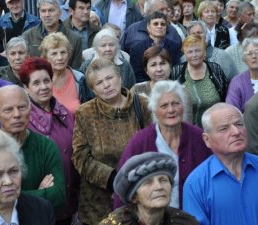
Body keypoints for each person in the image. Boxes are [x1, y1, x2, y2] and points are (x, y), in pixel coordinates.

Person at [72, 58, 152, 225]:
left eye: (109, 78)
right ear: (93, 89)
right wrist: (113, 179)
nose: (106, 85)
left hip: (139, 196)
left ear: (120, 78)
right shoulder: (85, 113)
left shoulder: (142, 104)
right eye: (99, 82)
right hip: (98, 204)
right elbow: (80, 157)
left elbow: (154, 147)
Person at [116, 80, 211, 209]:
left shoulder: (199, 138)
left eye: (176, 103)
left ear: (183, 106)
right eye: (164, 106)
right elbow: (122, 189)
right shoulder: (140, 142)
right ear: (154, 110)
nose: (171, 110)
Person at [18, 57, 80, 225]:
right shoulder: (23, 121)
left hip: (71, 200)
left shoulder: (66, 114)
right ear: (26, 88)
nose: (43, 87)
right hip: (42, 203)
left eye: (46, 80)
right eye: (36, 83)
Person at [0, 85, 66, 211]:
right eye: (8, 110)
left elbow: (58, 195)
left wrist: (9, 198)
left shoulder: (45, 146)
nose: (17, 114)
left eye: (22, 107)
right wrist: (39, 195)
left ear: (30, 109)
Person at [183, 103, 258, 225]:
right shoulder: (196, 183)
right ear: (207, 140)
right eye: (224, 128)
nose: (236, 131)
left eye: (239, 124)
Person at [101, 152, 199, 225]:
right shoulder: (115, 223)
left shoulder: (186, 223)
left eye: (163, 180)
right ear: (134, 197)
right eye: (148, 182)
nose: (159, 187)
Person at [171, 34, 228, 127]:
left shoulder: (215, 69)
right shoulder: (176, 72)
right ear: (184, 54)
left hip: (216, 126)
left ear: (204, 51)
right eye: (190, 52)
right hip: (187, 130)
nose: (194, 55)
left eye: (198, 50)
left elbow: (225, 97)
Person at [39, 32, 93, 114]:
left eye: (63, 52)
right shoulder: (39, 81)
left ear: (68, 54)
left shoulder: (80, 79)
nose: (60, 58)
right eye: (54, 54)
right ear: (45, 58)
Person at [22, 0, 82, 69]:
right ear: (39, 14)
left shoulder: (75, 39)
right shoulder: (27, 36)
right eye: (43, 11)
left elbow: (75, 72)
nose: (47, 15)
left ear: (59, 13)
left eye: (51, 10)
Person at [129, 11, 181, 83]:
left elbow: (176, 70)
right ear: (148, 27)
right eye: (155, 24)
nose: (159, 26)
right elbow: (137, 75)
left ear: (166, 28)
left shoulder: (175, 46)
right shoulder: (137, 49)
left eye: (163, 24)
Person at [226, 38, 258, 112]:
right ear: (244, 59)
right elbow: (232, 109)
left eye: (257, 52)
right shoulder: (237, 82)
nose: (254, 56)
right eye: (249, 54)